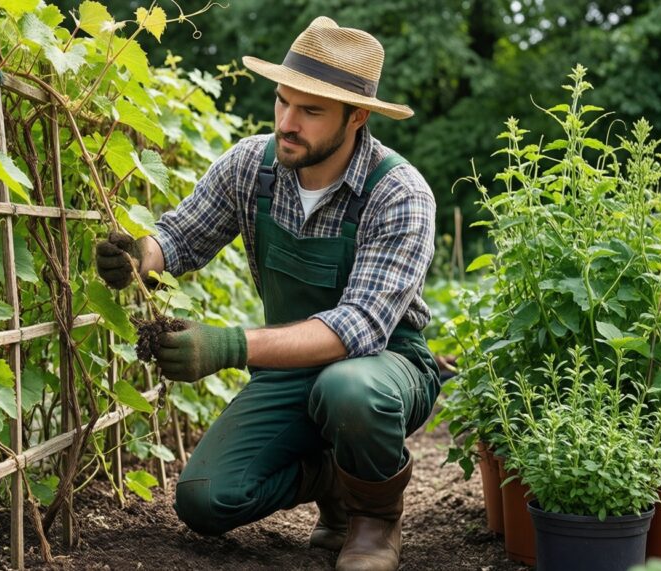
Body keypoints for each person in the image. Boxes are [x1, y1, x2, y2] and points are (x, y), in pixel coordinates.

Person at [95, 16, 439, 571]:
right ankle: (330, 474)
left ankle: (373, 521)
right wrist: (141, 255)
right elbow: (182, 234)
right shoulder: (253, 167)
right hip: (291, 371)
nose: (287, 122)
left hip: (385, 369)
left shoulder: (398, 194)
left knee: (348, 388)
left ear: (357, 117)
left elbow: (359, 328)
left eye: (310, 110)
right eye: (283, 102)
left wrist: (227, 347)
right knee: (204, 499)